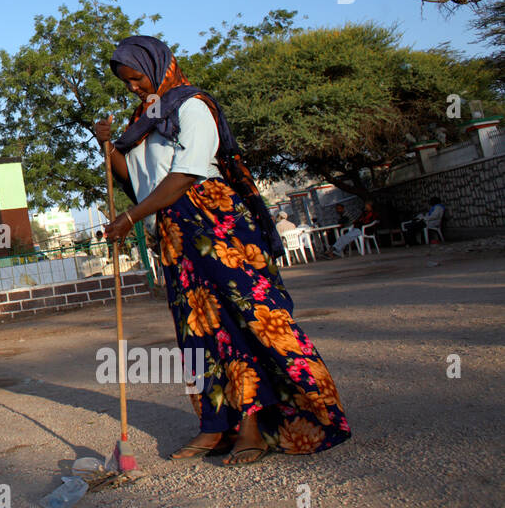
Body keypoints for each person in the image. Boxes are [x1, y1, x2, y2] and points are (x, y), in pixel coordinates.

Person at [95, 35, 350, 466]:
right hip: (175, 232)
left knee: (244, 320)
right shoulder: (143, 119)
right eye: (127, 83)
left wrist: (131, 219)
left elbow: (187, 174)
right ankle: (216, 426)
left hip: (215, 224)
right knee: (197, 329)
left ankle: (257, 424)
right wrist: (105, 143)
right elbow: (131, 178)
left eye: (137, 78)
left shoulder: (192, 106)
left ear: (156, 67)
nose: (134, 88)